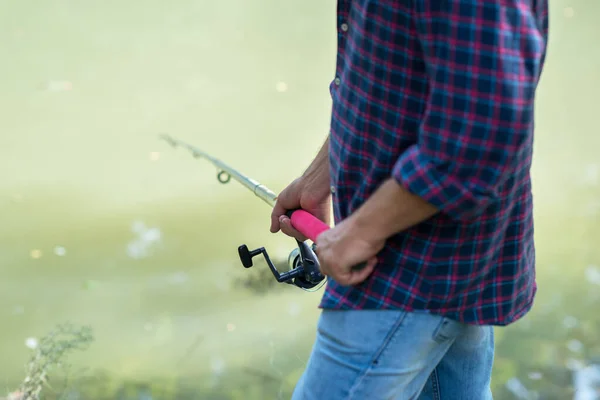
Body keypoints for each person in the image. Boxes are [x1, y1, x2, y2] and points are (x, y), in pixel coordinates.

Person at [270, 1, 549, 399]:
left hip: (409, 269)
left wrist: (363, 232)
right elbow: (392, 75)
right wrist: (323, 173)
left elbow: (480, 134)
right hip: (436, 264)